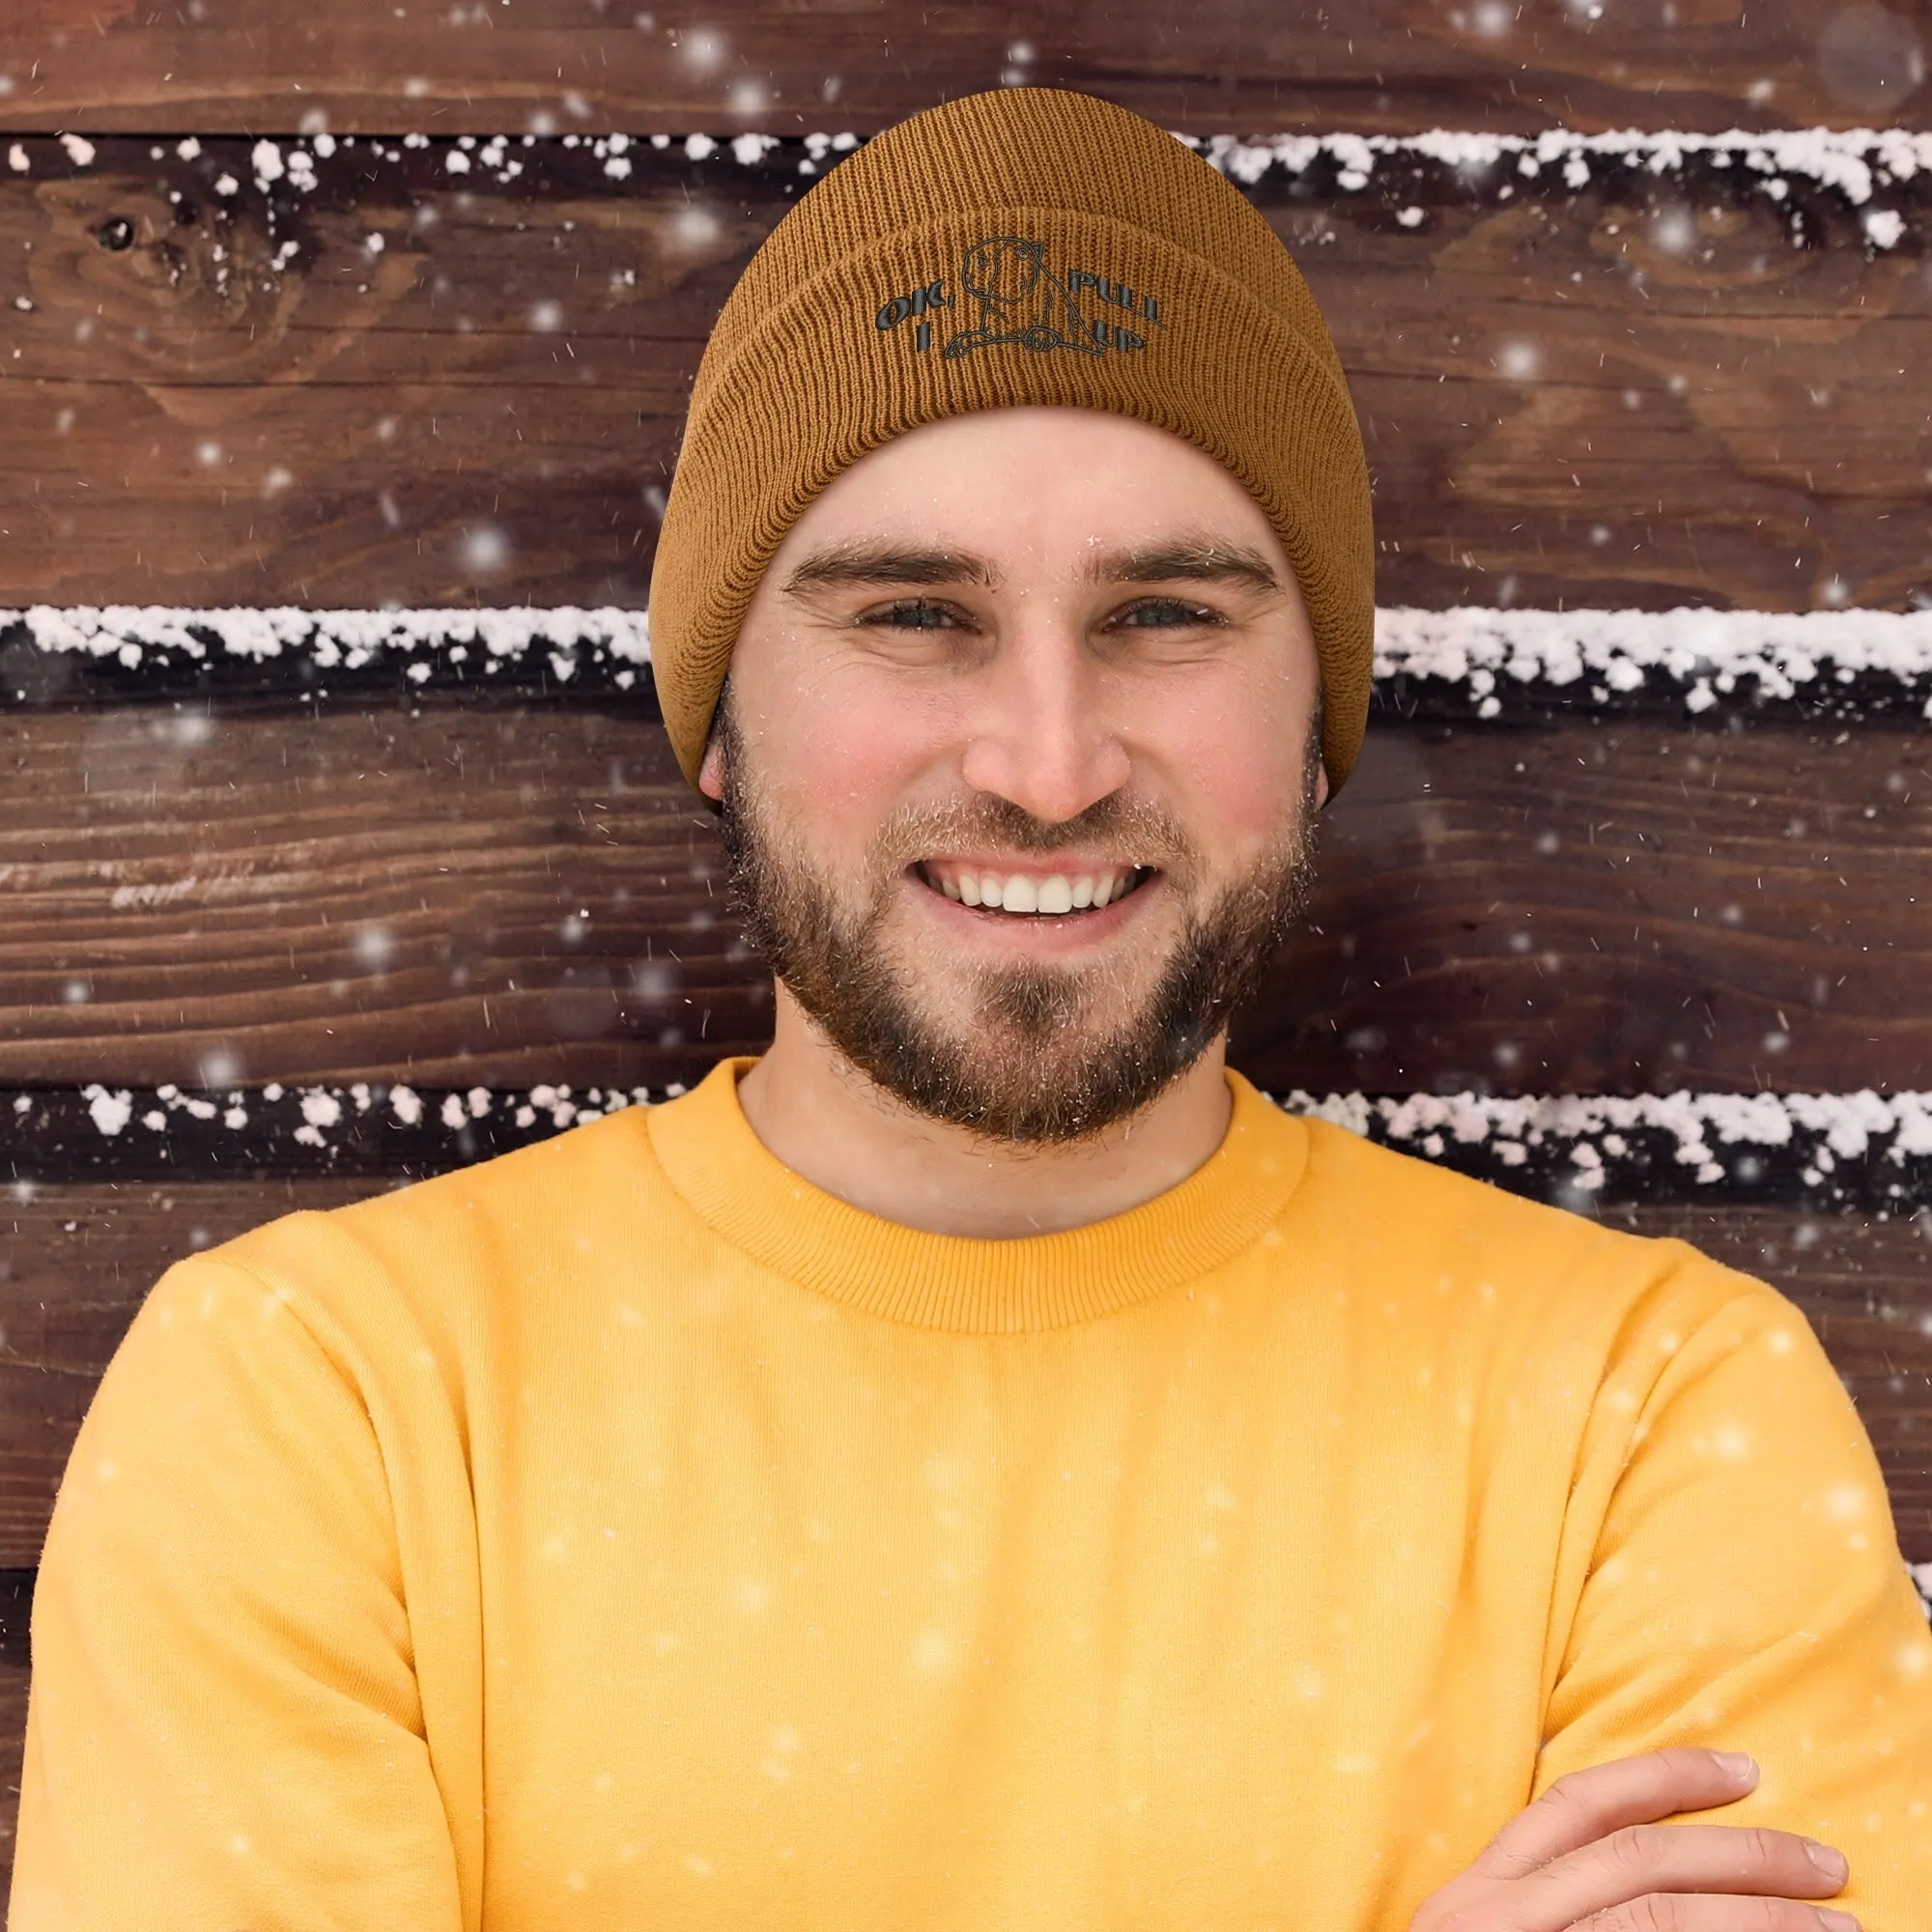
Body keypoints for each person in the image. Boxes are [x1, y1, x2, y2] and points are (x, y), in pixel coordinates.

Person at [12, 87, 1930, 1932]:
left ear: (1315, 714)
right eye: (911, 615)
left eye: (1165, 615)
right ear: (717, 711)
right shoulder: (319, 1405)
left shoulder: (1652, 1422)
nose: (1044, 760)